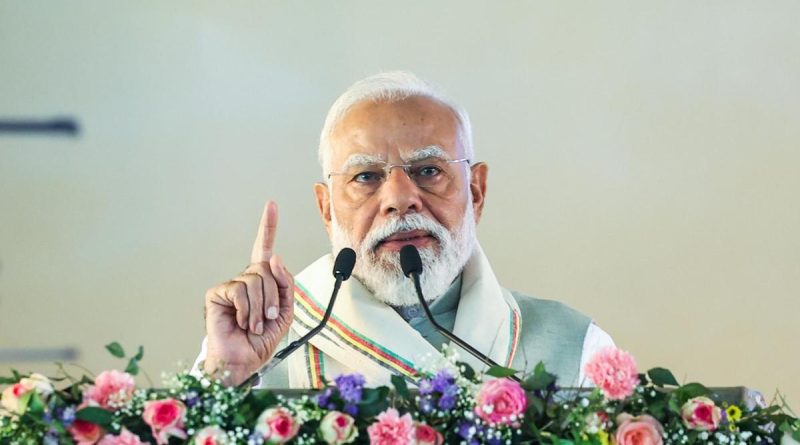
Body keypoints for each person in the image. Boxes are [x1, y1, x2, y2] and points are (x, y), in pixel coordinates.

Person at [193, 71, 614, 388]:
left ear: (476, 190)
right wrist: (225, 378)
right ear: (326, 209)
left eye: (428, 170)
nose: (399, 198)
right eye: (366, 177)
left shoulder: (576, 350)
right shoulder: (259, 347)